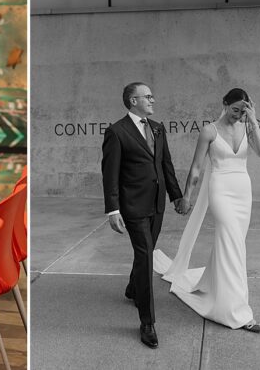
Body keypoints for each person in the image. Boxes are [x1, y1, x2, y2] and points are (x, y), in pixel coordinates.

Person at [154, 88, 260, 333]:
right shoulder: (209, 130)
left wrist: (254, 121)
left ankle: (216, 290)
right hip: (221, 190)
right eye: (235, 109)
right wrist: (186, 197)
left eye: (243, 110)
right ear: (224, 104)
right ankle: (237, 312)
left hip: (242, 191)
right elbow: (196, 168)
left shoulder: (248, 127)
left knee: (233, 245)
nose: (238, 115)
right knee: (232, 244)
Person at [101, 82, 185, 349]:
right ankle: (147, 322)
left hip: (157, 204)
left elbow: (166, 165)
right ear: (132, 101)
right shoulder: (116, 131)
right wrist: (113, 209)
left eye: (152, 96)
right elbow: (110, 173)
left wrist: (177, 196)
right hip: (133, 206)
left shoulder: (158, 128)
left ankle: (131, 287)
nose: (153, 100)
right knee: (146, 255)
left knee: (145, 251)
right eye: (147, 97)